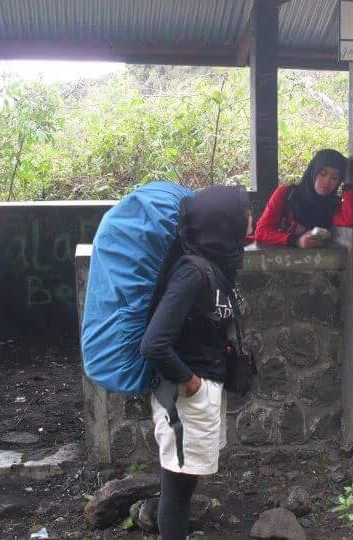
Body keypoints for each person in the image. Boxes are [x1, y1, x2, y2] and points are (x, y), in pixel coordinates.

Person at [140, 185, 252, 539]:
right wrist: (191, 383)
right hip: (187, 397)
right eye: (244, 211)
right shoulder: (193, 272)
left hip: (201, 393)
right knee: (176, 491)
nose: (250, 217)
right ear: (223, 222)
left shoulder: (215, 266)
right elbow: (154, 343)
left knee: (184, 486)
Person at [254, 149, 353, 248]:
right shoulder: (286, 194)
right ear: (313, 172)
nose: (327, 182)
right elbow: (261, 232)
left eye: (334, 178)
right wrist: (296, 241)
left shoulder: (332, 205)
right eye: (322, 174)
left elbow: (350, 220)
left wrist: (347, 186)